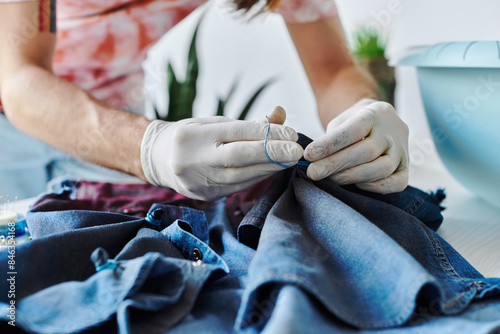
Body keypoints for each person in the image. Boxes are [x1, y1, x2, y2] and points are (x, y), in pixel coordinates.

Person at [0, 0, 409, 200]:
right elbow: (18, 78)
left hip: (111, 119)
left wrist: (363, 112)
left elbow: (334, 70)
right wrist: (148, 147)